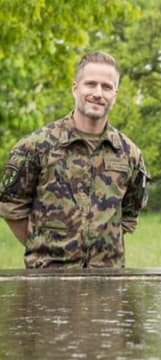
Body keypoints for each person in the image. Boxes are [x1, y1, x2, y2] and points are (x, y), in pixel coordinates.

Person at [0, 51, 149, 268]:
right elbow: (11, 207)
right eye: (91, 84)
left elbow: (128, 215)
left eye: (106, 87)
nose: (98, 93)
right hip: (48, 282)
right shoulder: (36, 147)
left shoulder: (129, 154)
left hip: (107, 283)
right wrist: (46, 249)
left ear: (114, 94)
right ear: (75, 88)